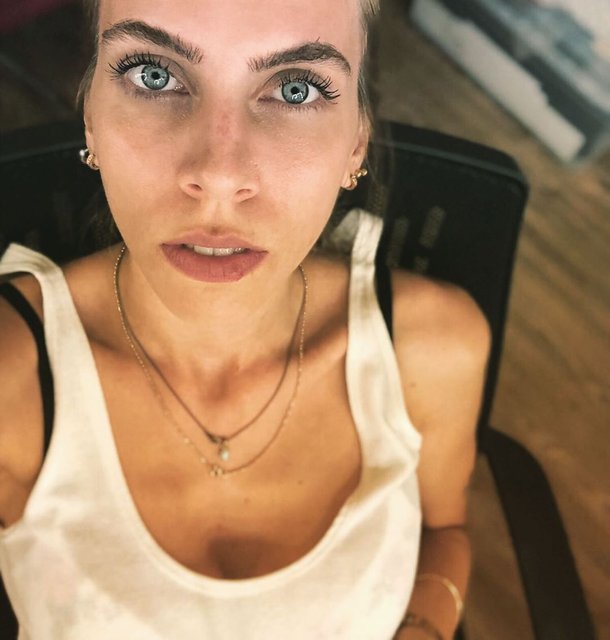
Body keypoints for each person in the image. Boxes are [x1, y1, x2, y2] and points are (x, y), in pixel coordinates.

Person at [0, 0, 490, 638]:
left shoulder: (432, 346)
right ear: (91, 117)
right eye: (154, 75)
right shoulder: (13, 378)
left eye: (296, 88)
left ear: (356, 143)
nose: (219, 177)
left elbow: (444, 529)